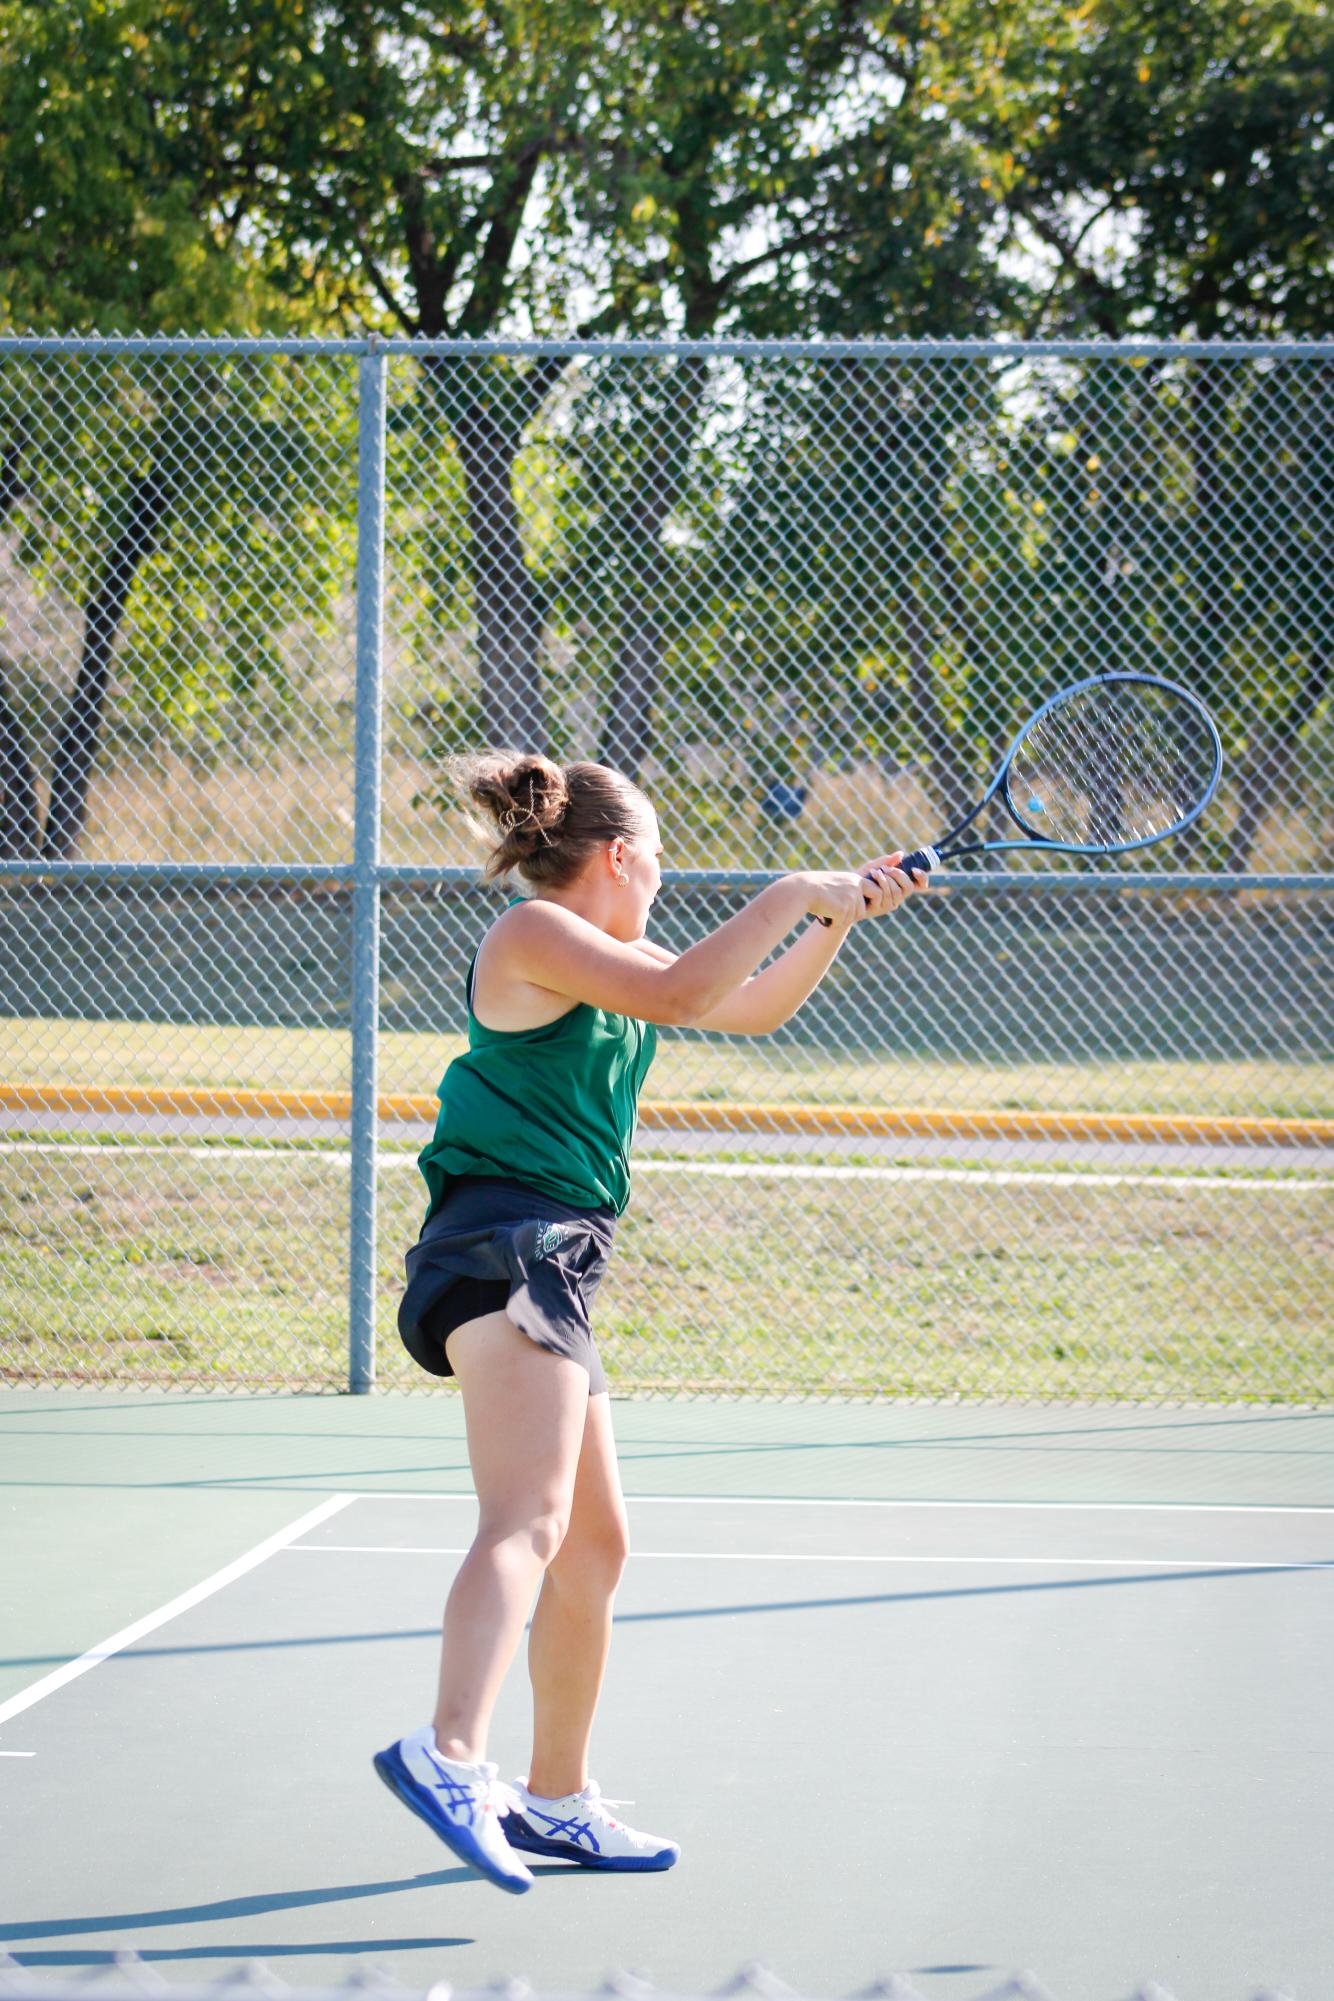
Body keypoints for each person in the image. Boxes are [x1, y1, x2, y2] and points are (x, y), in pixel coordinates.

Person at [374, 751, 923, 1893]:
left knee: (595, 1551)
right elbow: (686, 995)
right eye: (658, 862)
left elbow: (748, 1005)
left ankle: (555, 1801)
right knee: (525, 1521)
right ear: (617, 858)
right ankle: (448, 1754)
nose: (662, 883)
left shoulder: (616, 960)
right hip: (502, 1243)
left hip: (555, 1261)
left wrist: (838, 917)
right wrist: (788, 891)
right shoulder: (531, 936)